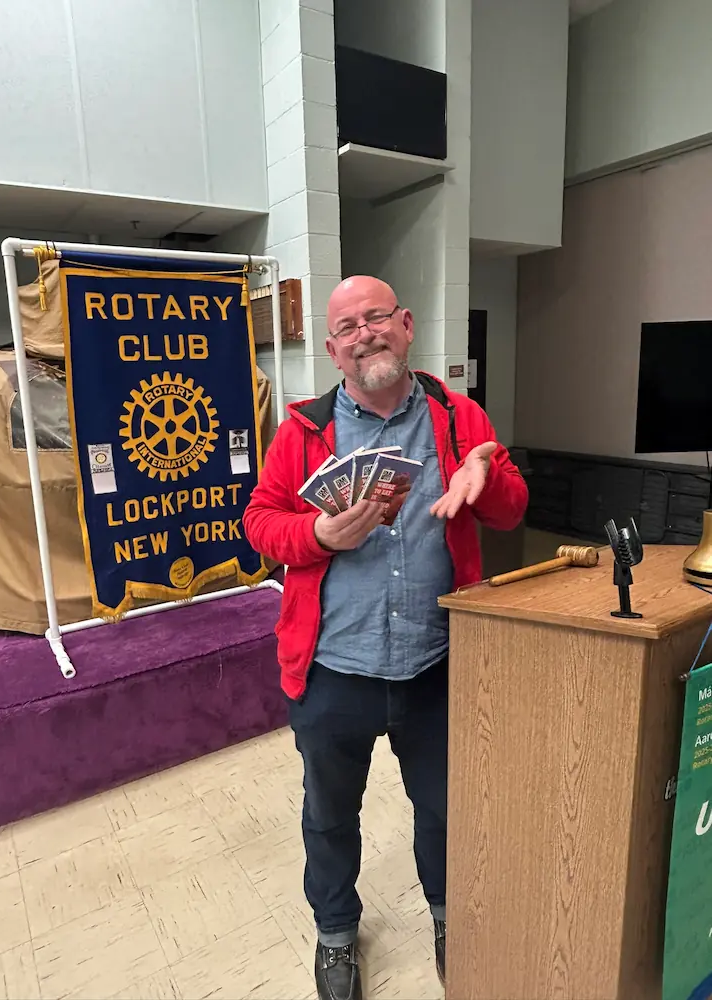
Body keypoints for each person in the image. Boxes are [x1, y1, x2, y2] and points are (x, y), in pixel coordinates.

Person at [243, 275, 528, 1000]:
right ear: (332, 350)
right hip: (333, 670)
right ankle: (337, 933)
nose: (365, 333)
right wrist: (317, 535)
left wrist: (487, 469)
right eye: (348, 327)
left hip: (437, 664)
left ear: (405, 326)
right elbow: (259, 524)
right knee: (329, 817)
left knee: (444, 808)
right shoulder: (301, 432)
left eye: (377, 318)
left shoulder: (458, 416)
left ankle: (448, 916)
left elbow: (509, 512)